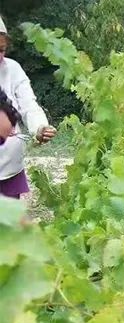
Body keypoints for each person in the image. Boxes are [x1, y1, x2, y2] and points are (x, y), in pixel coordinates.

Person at [0, 18, 57, 199]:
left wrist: (39, 127)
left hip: (9, 166)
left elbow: (29, 105)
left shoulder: (13, 69)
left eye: (1, 50)